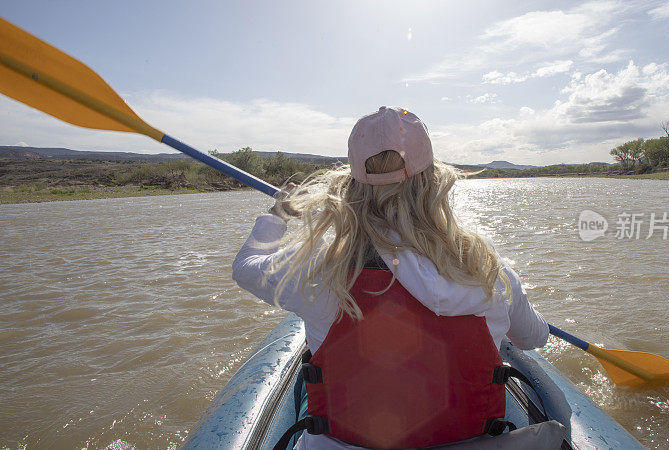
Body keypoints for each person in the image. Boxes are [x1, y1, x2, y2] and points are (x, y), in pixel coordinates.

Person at [232, 106, 550, 449]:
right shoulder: (488, 271)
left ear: (351, 187)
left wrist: (277, 214)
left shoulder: (318, 270)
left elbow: (246, 266)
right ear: (432, 184)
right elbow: (533, 337)